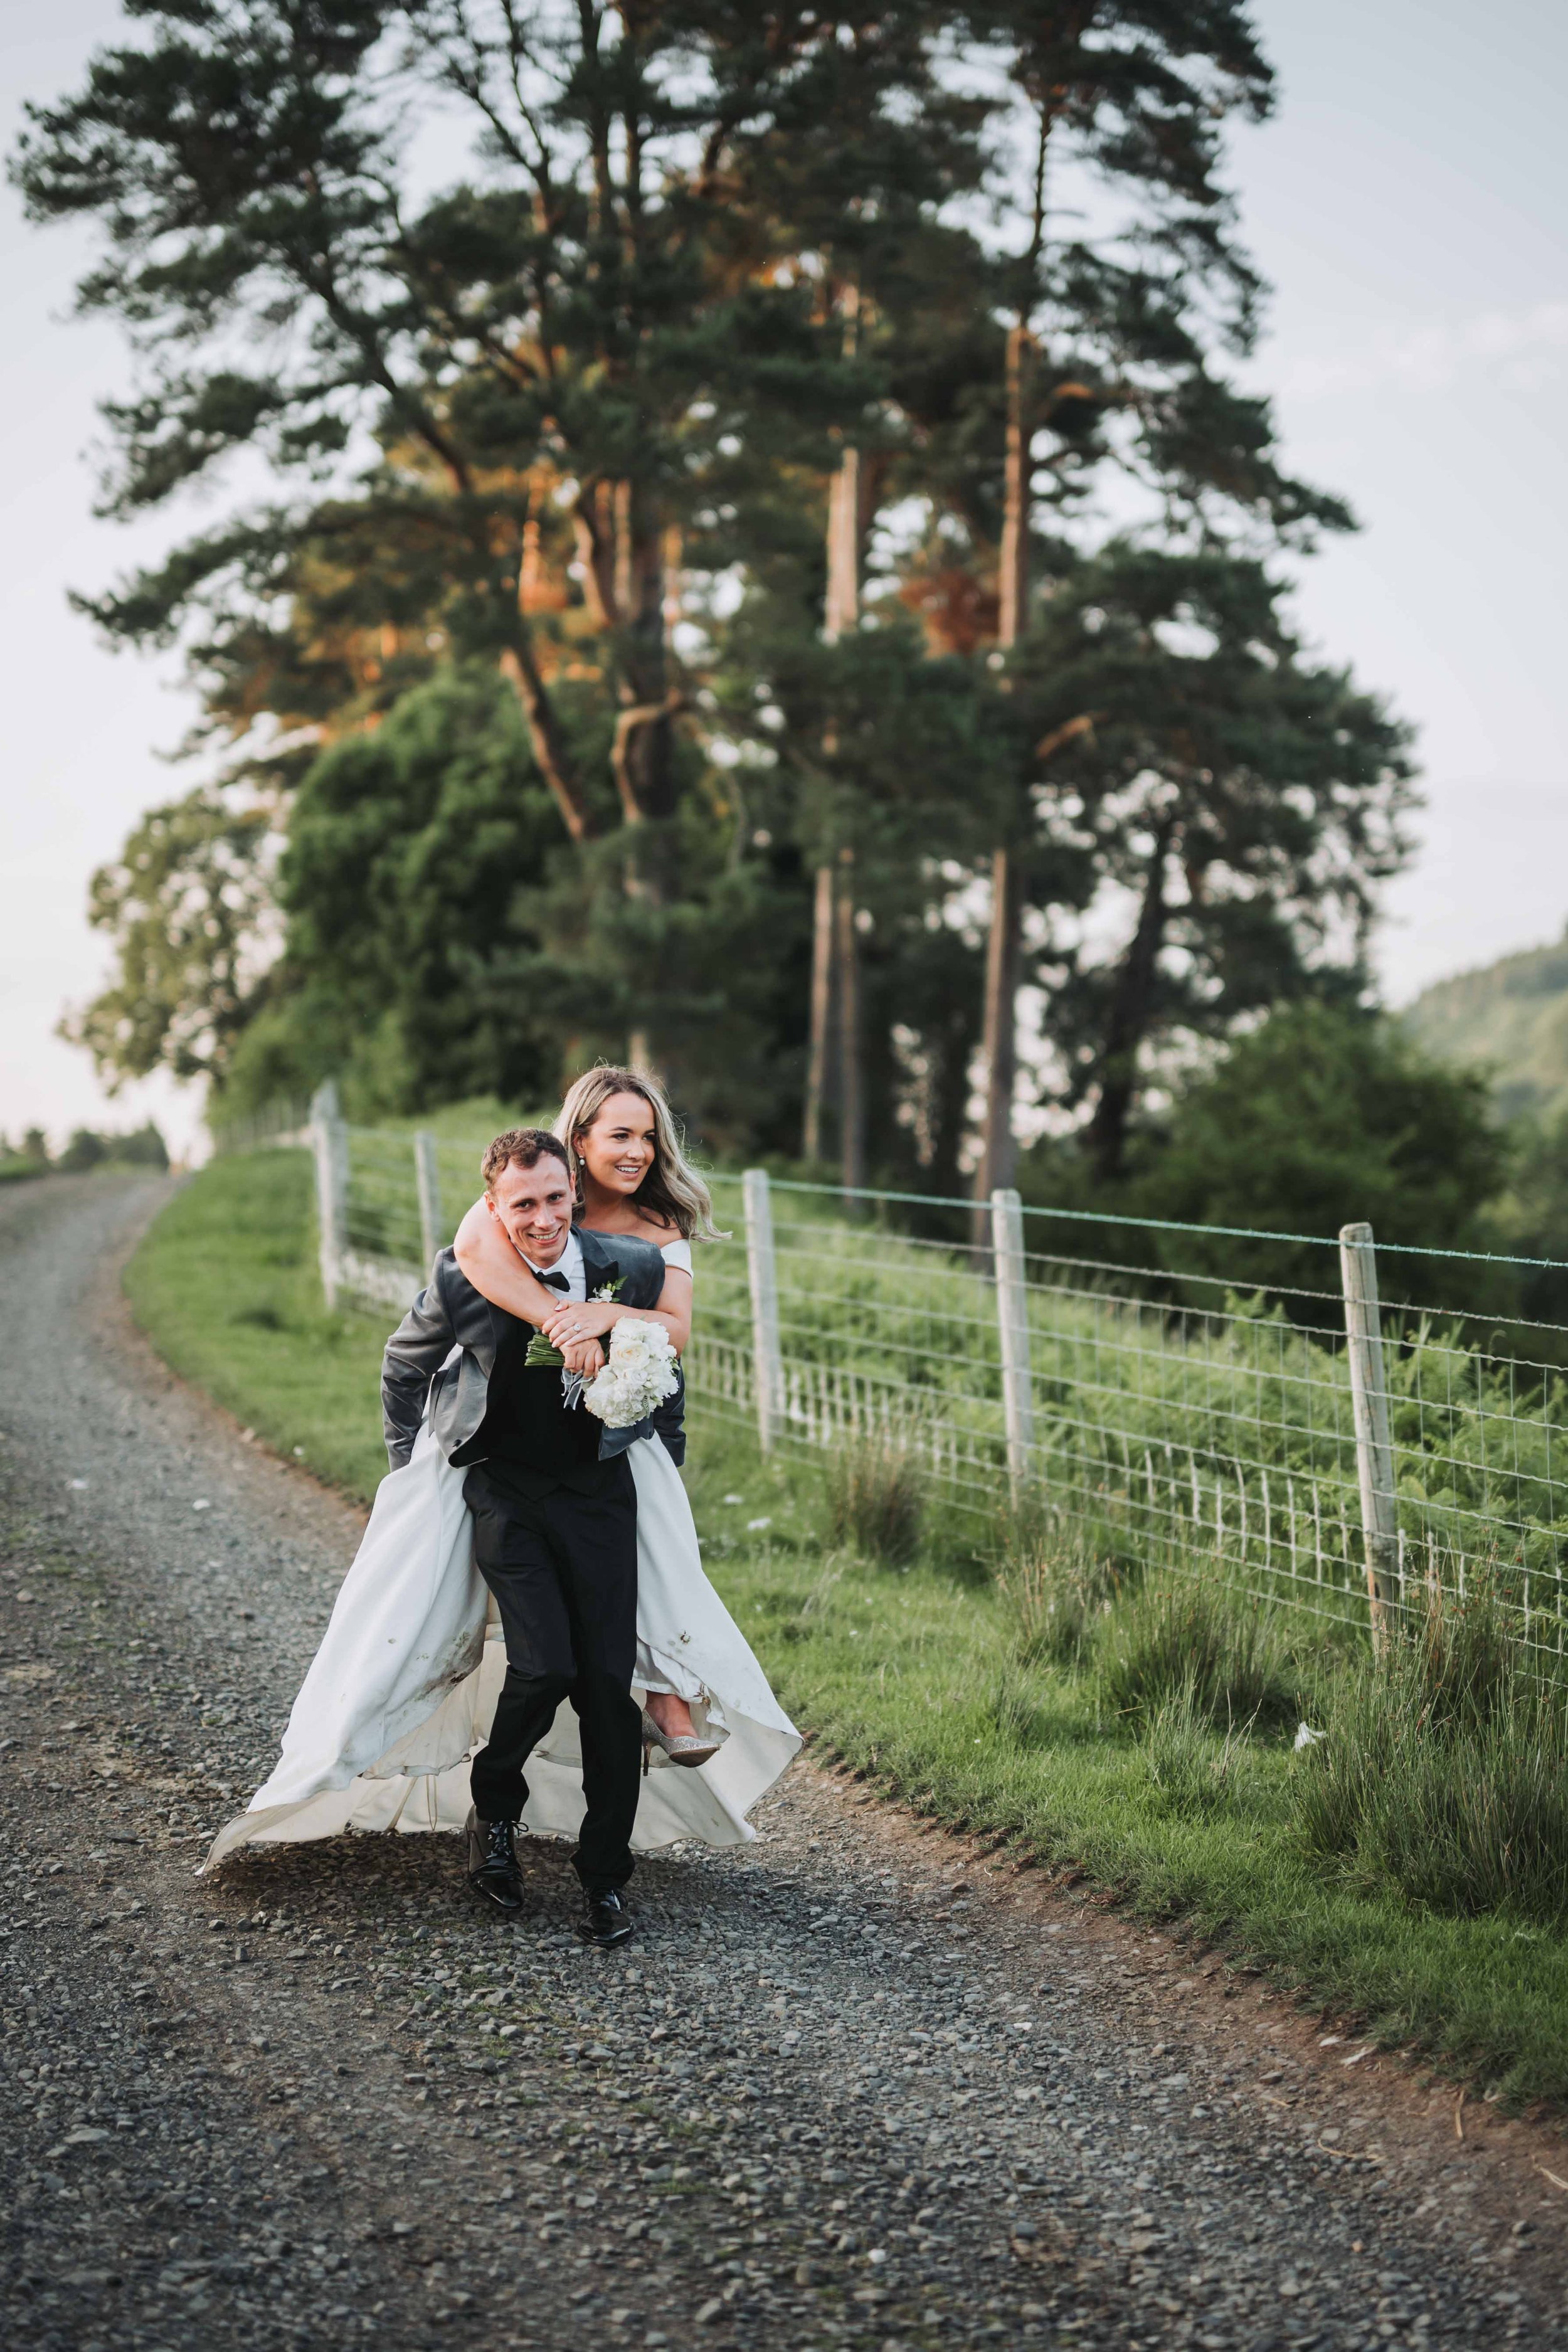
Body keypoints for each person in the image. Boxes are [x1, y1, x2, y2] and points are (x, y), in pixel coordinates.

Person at [206, 1087, 798, 1927]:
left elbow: (665, 1378)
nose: (545, 1215)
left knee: (605, 1685)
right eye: (526, 1203)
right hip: (503, 1489)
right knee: (544, 1664)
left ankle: (605, 1877)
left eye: (557, 1199)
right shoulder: (470, 1266)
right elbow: (404, 1363)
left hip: (598, 1494)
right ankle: (495, 1811)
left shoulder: (632, 1267)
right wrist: (411, 1469)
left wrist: (662, 1460)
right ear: (500, 1202)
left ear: (574, 1192)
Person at [452, 1066, 793, 1784]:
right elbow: (476, 1253)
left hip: (635, 1414)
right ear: (579, 1140)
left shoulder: (661, 1225)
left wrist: (607, 1316)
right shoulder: (539, 1196)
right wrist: (556, 1321)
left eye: (649, 1136)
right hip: (531, 1428)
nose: (638, 1151)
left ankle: (668, 1700)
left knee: (655, 1549)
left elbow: (678, 1328)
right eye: (620, 1135)